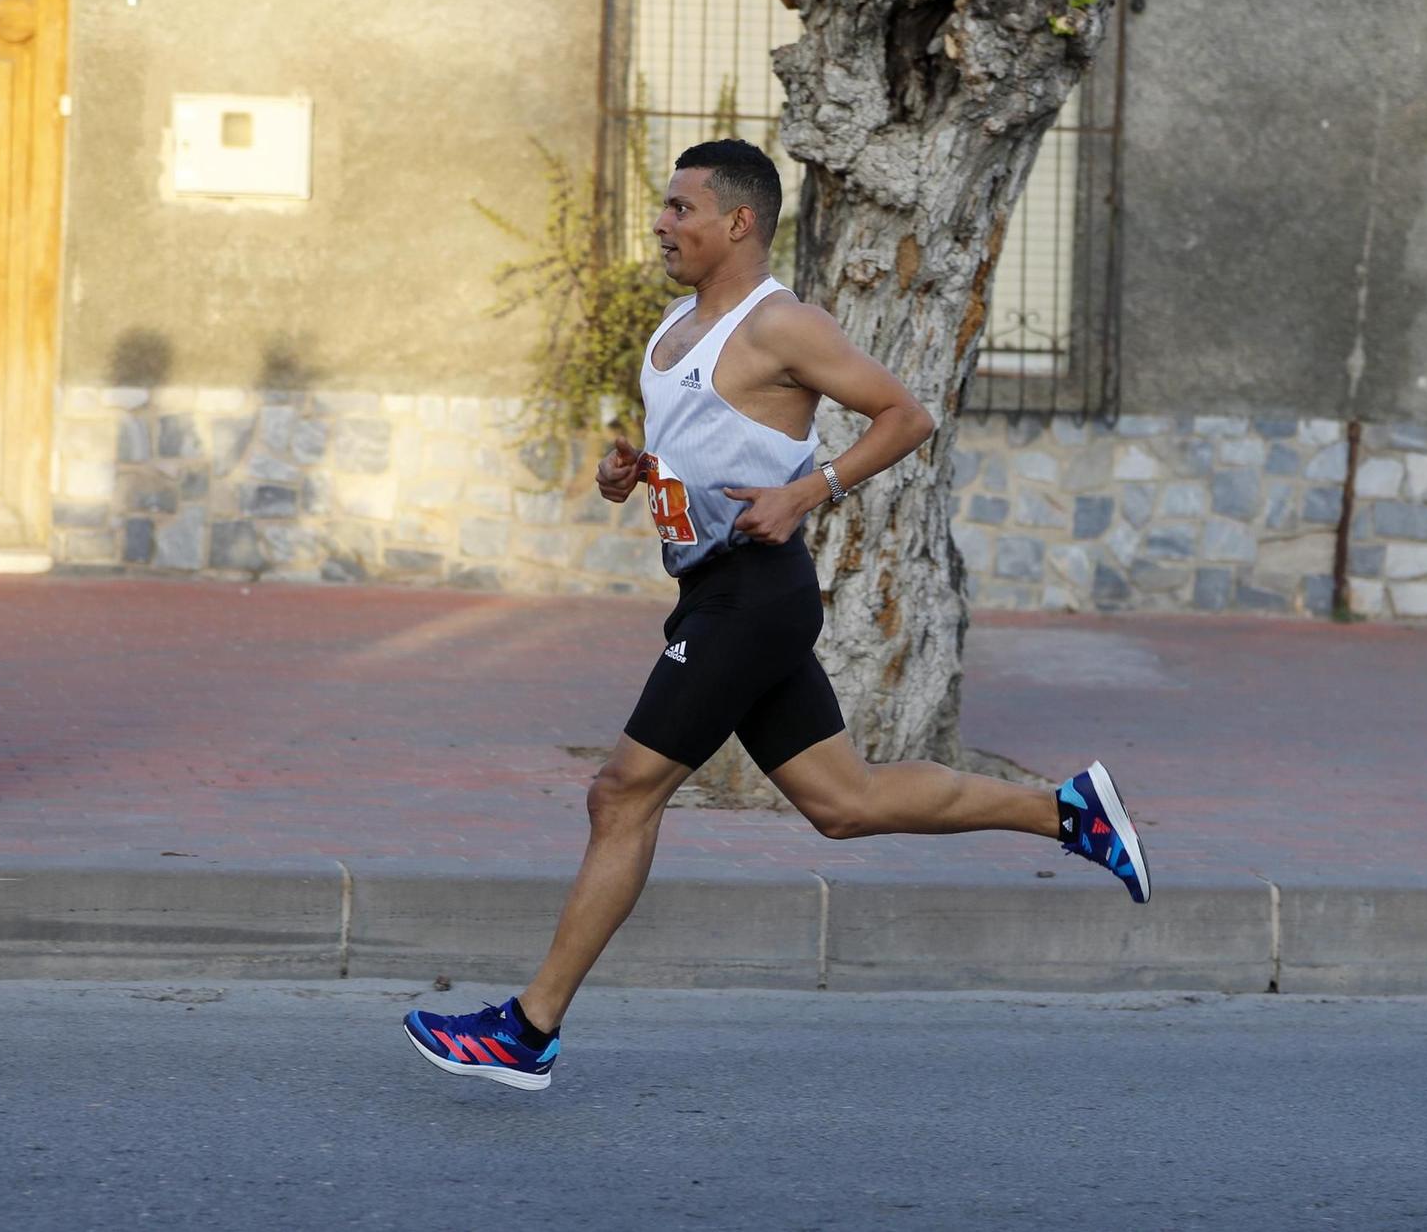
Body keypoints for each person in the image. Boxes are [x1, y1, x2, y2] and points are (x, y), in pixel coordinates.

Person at [404, 139, 1149, 1091]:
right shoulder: (674, 329)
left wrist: (812, 490)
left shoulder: (781, 325)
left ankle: (530, 1027)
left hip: (756, 594)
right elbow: (698, 463)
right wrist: (630, 477)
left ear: (738, 222)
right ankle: (1069, 810)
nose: (664, 224)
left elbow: (905, 415)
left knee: (620, 792)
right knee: (846, 804)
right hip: (714, 589)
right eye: (665, 208)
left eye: (681, 209)